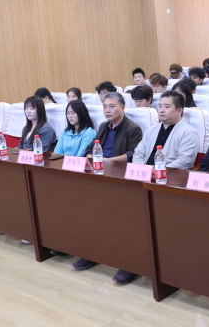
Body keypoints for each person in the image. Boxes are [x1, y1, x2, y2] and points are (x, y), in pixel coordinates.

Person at [72, 92, 143, 280]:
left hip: (120, 178)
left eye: (112, 106)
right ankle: (92, 252)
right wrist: (92, 158)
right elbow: (90, 148)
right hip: (99, 175)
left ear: (123, 108)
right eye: (104, 106)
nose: (107, 110)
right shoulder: (104, 126)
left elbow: (132, 155)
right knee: (85, 210)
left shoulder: (133, 128)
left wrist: (106, 161)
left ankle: (127, 261)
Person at [133, 91, 199, 171]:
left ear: (179, 110)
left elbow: (185, 162)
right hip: (144, 173)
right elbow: (138, 154)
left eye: (167, 107)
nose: (161, 110)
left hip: (169, 175)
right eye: (160, 106)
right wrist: (142, 169)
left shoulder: (188, 133)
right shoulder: (151, 130)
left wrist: (159, 171)